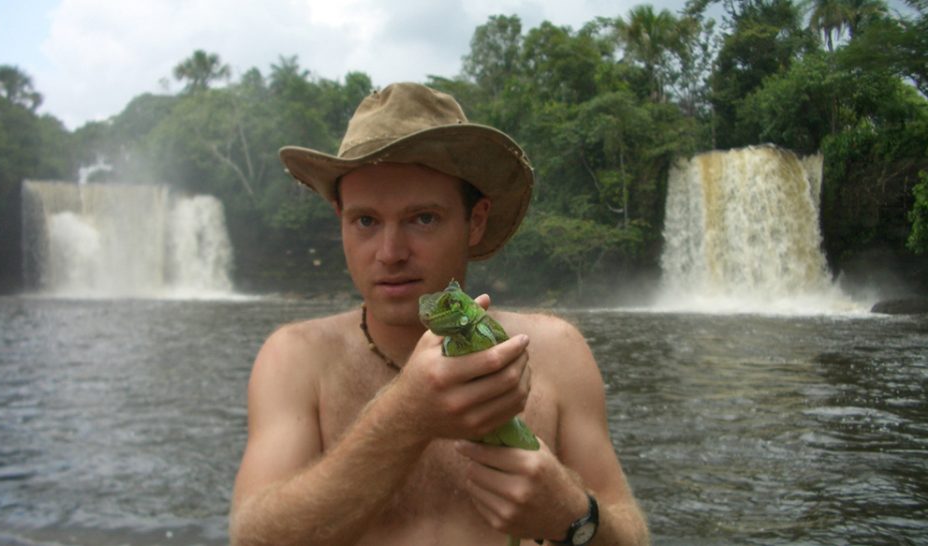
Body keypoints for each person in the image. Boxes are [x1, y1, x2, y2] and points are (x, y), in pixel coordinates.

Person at [229, 82, 649, 546]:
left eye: (422, 218)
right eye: (366, 221)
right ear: (340, 219)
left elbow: (629, 533)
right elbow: (252, 537)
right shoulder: (294, 359)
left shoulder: (557, 352)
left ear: (475, 221)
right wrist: (404, 416)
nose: (389, 253)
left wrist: (575, 516)